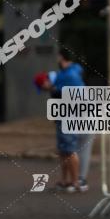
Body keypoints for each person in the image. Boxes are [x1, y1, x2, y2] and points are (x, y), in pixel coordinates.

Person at [42, 49, 88, 192]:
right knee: (63, 150)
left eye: (58, 56)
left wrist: (52, 88)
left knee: (69, 149)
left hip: (69, 115)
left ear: (61, 57)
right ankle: (65, 181)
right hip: (63, 115)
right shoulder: (65, 73)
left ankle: (75, 183)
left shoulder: (71, 74)